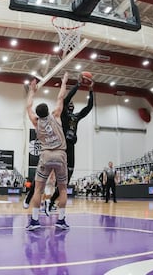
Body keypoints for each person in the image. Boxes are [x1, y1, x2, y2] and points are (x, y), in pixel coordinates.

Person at [24, 73, 94, 212]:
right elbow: (63, 98)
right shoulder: (59, 115)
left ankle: (50, 202)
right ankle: (29, 198)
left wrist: (91, 91)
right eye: (70, 104)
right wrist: (76, 84)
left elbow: (88, 107)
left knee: (60, 183)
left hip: (66, 149)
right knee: (45, 183)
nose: (71, 105)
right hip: (60, 149)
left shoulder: (74, 117)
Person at [25, 73, 69, 230]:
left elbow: (28, 106)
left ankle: (35, 221)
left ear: (38, 114)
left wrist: (32, 91)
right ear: (48, 111)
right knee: (62, 189)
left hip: (45, 155)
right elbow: (60, 97)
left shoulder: (35, 121)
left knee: (38, 189)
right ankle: (61, 220)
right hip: (60, 155)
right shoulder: (56, 115)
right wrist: (63, 82)